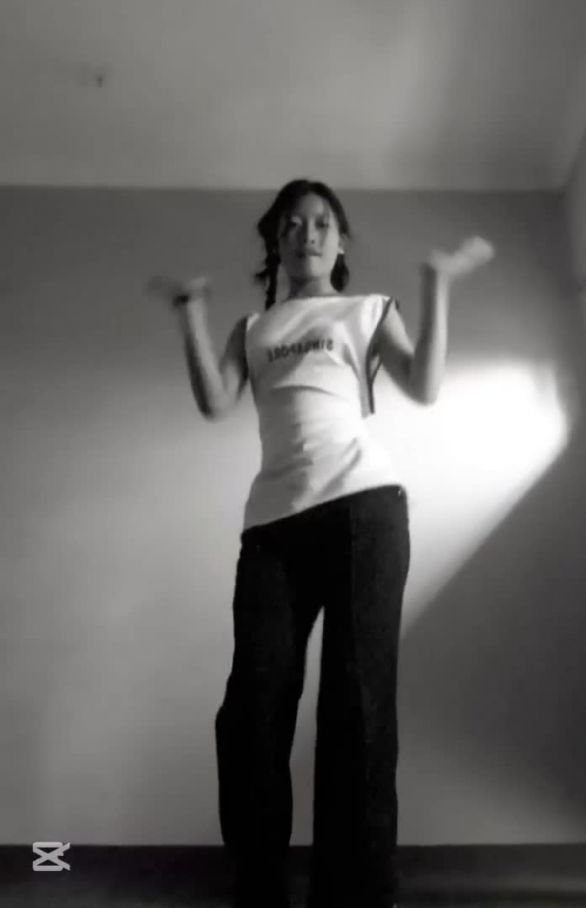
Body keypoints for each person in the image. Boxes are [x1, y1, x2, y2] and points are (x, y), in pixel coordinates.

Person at [148, 179, 494, 908]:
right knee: (253, 708)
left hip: (365, 510)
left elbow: (423, 384)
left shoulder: (366, 310)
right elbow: (215, 401)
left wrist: (434, 286)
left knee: (357, 708)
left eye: (321, 223)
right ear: (276, 243)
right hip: (272, 528)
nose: (306, 233)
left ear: (339, 243)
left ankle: (356, 895)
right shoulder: (253, 328)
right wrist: (191, 314)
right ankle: (259, 888)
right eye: (292, 225)